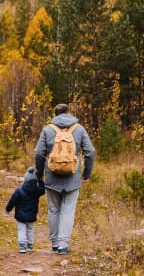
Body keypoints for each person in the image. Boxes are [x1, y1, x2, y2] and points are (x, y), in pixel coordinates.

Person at [34, 104, 95, 255]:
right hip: (72, 178)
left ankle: (55, 243)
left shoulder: (48, 130)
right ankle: (63, 245)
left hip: (52, 177)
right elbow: (90, 152)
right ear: (69, 112)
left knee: (53, 210)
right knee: (68, 210)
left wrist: (39, 174)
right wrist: (86, 174)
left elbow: (39, 153)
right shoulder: (79, 129)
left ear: (55, 114)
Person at [5, 166, 45, 253]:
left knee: (21, 229)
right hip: (31, 214)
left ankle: (22, 246)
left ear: (25, 180)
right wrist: (40, 180)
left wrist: (8, 209)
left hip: (20, 215)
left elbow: (12, 201)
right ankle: (30, 245)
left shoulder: (19, 191)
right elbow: (43, 189)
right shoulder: (37, 191)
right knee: (30, 229)